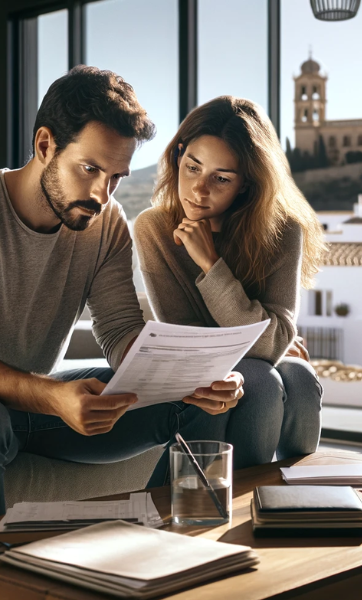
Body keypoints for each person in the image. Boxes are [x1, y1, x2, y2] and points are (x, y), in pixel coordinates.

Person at [0, 67, 244, 529]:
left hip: (39, 397)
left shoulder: (107, 222)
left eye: (115, 177)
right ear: (45, 145)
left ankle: (168, 548)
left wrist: (189, 377)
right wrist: (52, 396)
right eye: (90, 169)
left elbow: (119, 331)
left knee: (193, 400)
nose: (101, 194)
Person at [134, 96, 326, 473]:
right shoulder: (153, 229)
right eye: (192, 167)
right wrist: (262, 339)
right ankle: (244, 508)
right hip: (221, 371)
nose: (198, 190)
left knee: (300, 378)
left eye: (220, 178)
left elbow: (273, 341)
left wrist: (211, 263)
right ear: (178, 157)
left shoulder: (283, 230)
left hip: (257, 360)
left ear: (246, 185)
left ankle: (304, 499)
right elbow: (187, 337)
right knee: (261, 379)